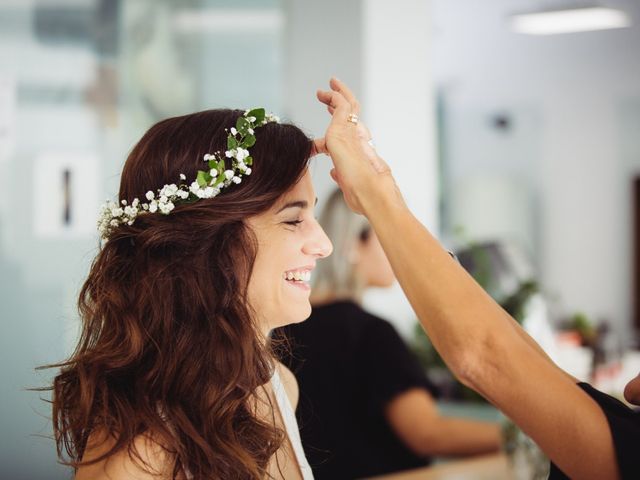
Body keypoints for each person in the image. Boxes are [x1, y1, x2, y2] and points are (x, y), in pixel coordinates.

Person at [312, 77, 640, 480]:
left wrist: (378, 190)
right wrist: (377, 189)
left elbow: (497, 359)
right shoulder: (367, 333)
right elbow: (498, 360)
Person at [46, 108, 333, 479]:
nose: (323, 244)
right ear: (207, 243)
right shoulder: (142, 446)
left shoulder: (279, 387)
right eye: (294, 219)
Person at [277, 188, 501, 479]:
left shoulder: (283, 327)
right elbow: (427, 433)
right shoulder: (371, 333)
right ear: (354, 243)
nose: (400, 250)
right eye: (388, 235)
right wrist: (524, 435)